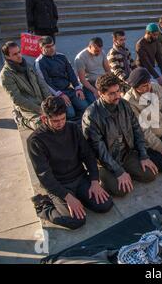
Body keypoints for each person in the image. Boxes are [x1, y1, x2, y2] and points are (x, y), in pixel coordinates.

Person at [28, 96, 113, 230]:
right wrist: (67, 197)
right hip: (59, 185)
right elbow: (45, 176)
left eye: (63, 118)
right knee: (76, 221)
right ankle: (43, 206)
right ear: (45, 119)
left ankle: (79, 197)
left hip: (79, 178)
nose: (61, 123)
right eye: (56, 121)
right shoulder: (35, 140)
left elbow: (88, 155)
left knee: (105, 205)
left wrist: (95, 181)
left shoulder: (73, 128)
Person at [82, 73, 159, 197]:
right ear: (101, 94)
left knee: (150, 174)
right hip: (106, 161)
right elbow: (99, 150)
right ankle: (107, 176)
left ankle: (127, 172)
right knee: (121, 190)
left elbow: (136, 129)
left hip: (126, 154)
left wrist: (143, 155)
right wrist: (118, 171)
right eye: (111, 93)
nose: (117, 96)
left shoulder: (124, 104)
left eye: (118, 91)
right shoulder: (91, 116)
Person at [0, 41, 51, 130]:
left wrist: (49, 100)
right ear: (7, 56)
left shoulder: (28, 66)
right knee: (43, 126)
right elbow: (17, 99)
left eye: (19, 52)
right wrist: (40, 110)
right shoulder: (6, 75)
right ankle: (21, 119)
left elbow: (41, 83)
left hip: (42, 102)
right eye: (15, 54)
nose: (19, 55)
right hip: (27, 108)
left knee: (61, 117)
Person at [35, 36, 88, 120]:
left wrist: (78, 88)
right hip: (56, 94)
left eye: (52, 45)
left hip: (69, 89)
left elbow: (71, 73)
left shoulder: (62, 56)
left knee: (84, 106)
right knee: (70, 114)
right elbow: (46, 82)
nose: (51, 48)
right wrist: (60, 94)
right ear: (41, 48)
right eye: (48, 47)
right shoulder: (39, 62)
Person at [74, 37, 111, 104]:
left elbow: (108, 70)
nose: (98, 53)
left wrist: (109, 83)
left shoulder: (101, 52)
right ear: (89, 47)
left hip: (102, 81)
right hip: (90, 84)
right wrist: (95, 91)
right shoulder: (80, 58)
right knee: (95, 102)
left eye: (100, 50)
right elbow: (82, 79)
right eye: (96, 51)